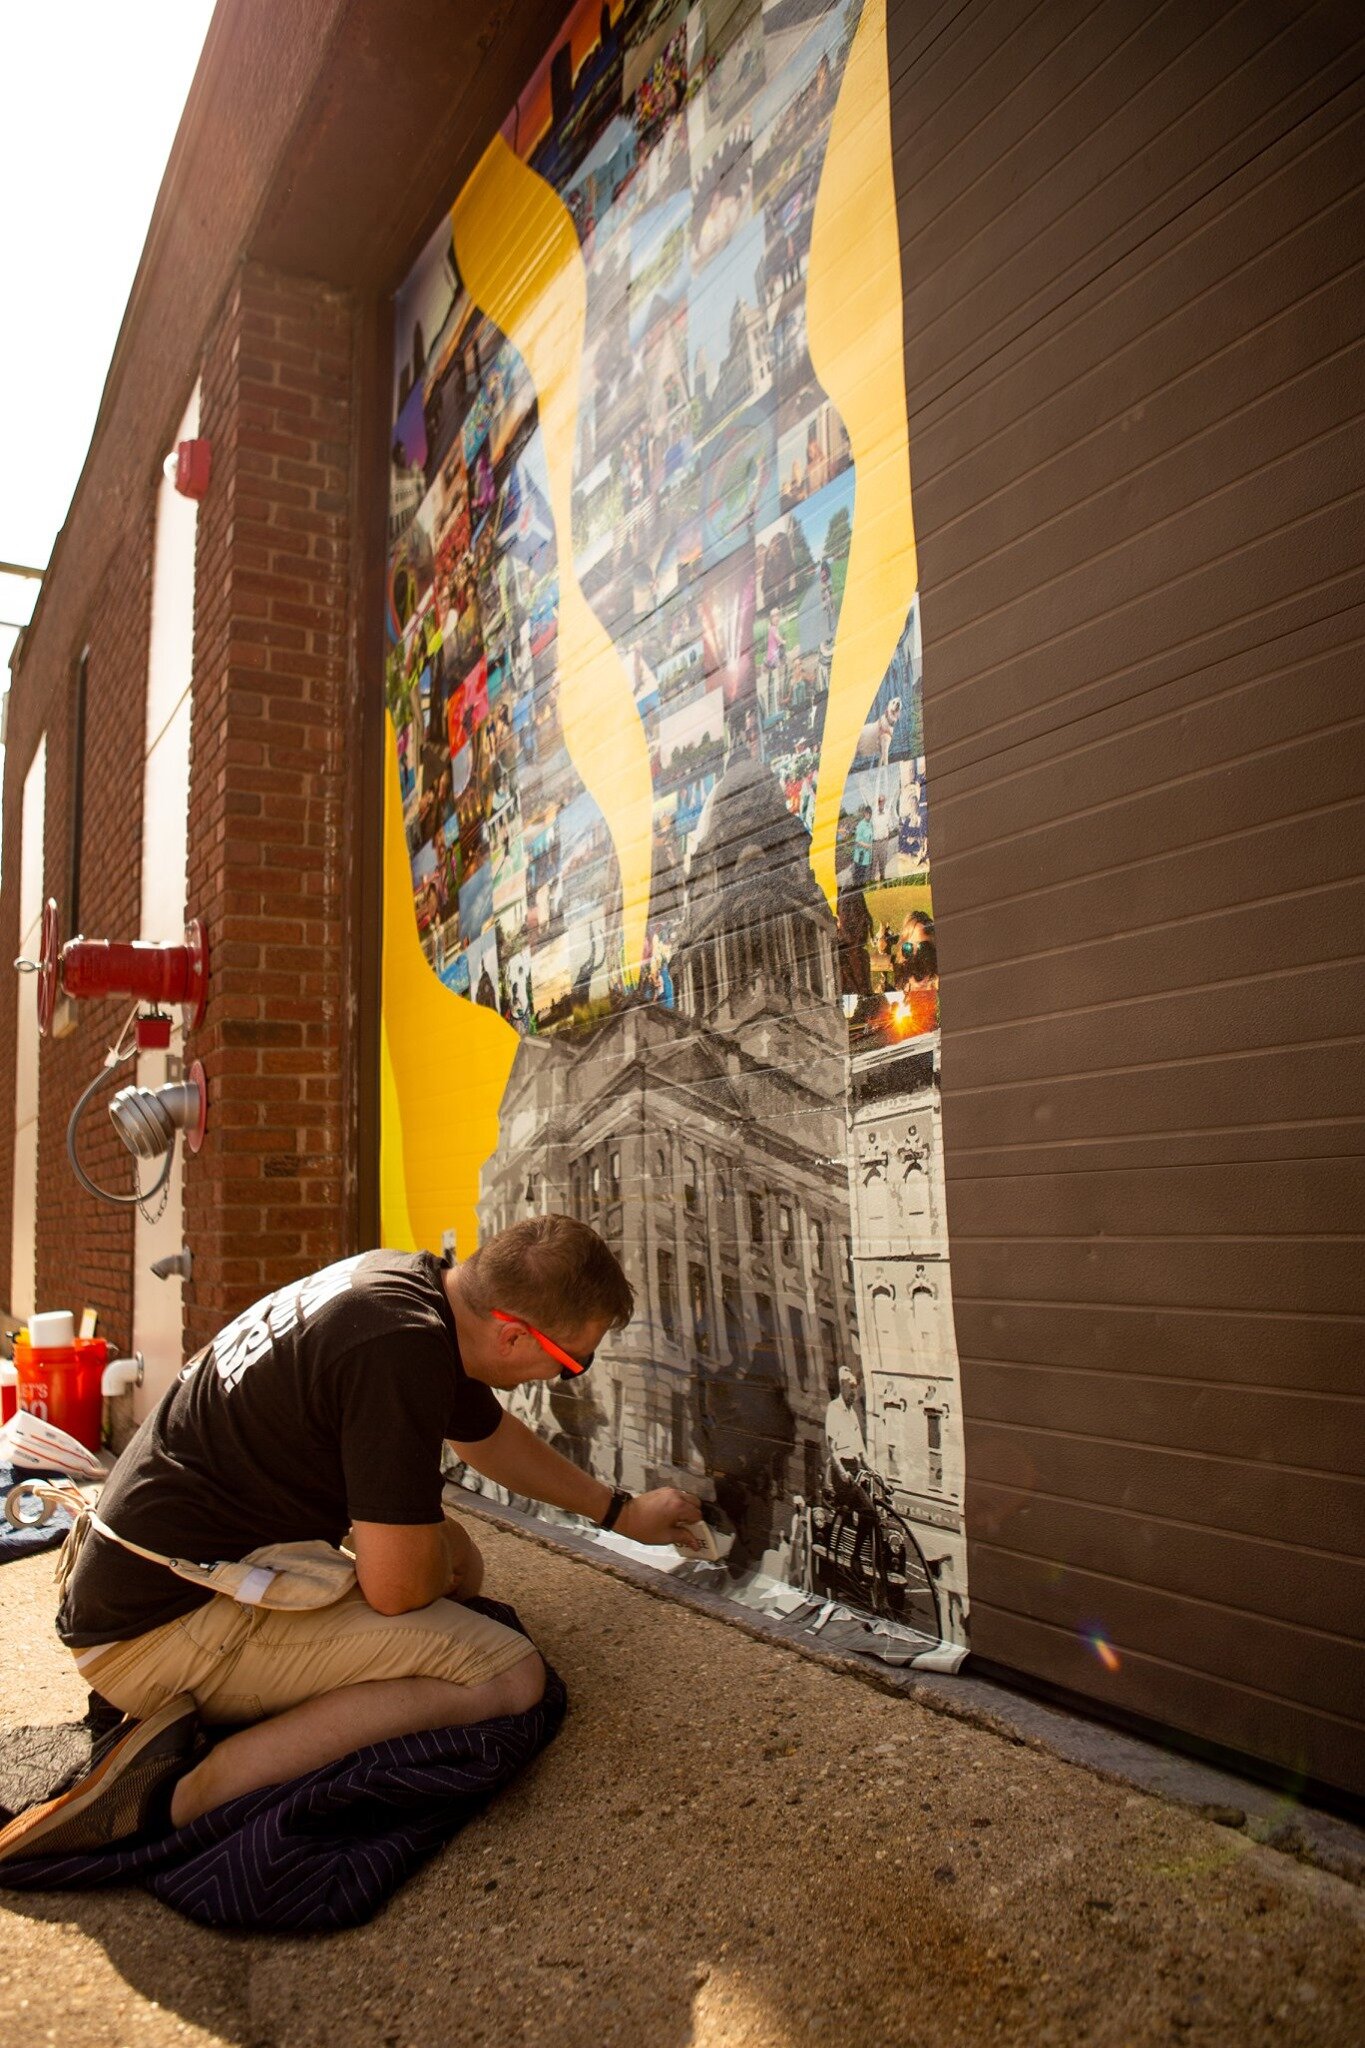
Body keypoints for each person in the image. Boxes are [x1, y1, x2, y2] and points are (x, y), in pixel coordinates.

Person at [0, 1217, 703, 1865]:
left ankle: (206, 1722)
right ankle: (166, 1793)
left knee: (454, 1560)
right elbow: (396, 1590)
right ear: (514, 1334)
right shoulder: (400, 1354)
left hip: (144, 1579)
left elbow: (487, 1437)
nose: (567, 1379)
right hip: (157, 1628)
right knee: (507, 1675)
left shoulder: (405, 1292)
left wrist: (620, 1512)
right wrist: (420, 1551)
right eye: (571, 1362)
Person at [824, 1367, 876, 1577]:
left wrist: (876, 1473)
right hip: (842, 1473)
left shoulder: (853, 1413)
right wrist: (842, 1472)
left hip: (855, 1468)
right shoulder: (834, 1409)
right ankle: (855, 1557)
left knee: (871, 1512)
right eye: (851, 1388)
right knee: (870, 1513)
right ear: (842, 1387)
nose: (855, 1393)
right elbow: (832, 1449)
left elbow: (862, 1453)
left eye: (856, 1389)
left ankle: (860, 1553)